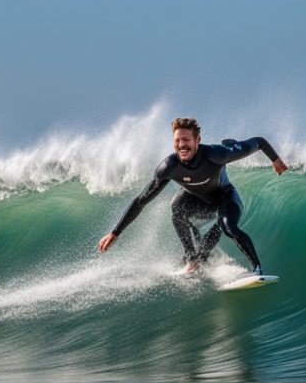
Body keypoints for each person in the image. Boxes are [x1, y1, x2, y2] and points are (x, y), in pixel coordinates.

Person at [97, 117, 287, 274]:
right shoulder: (169, 167)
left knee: (227, 226)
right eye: (177, 141)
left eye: (186, 140)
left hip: (225, 198)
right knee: (177, 209)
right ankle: (192, 258)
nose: (181, 145)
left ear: (197, 141)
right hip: (200, 202)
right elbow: (141, 201)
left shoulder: (216, 154)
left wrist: (276, 160)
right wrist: (115, 232)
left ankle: (257, 269)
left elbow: (259, 142)